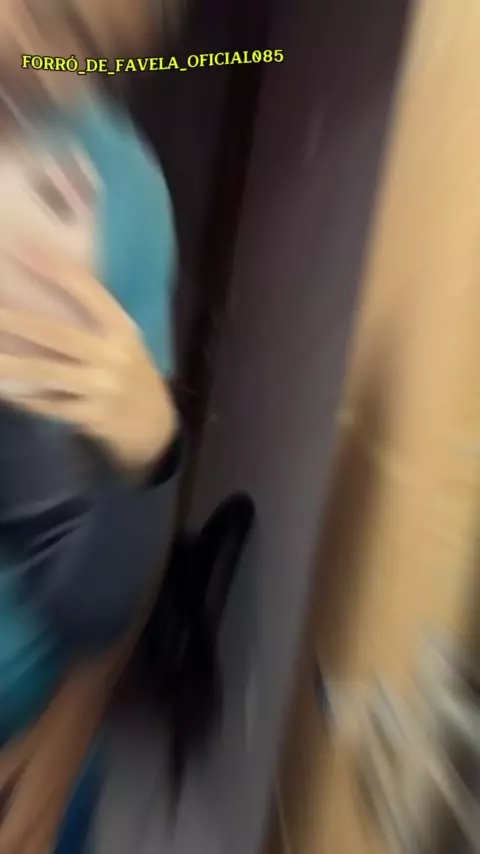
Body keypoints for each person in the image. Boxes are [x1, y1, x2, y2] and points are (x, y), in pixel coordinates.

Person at [0, 2, 180, 852]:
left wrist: (67, 741)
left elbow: (128, 506)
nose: (58, 64)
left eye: (95, 47)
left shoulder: (123, 186)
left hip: (31, 739)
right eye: (47, 13)